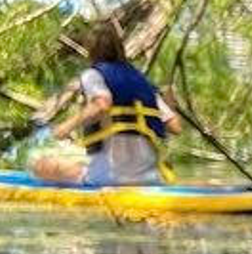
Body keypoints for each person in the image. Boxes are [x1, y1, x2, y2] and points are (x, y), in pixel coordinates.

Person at [35, 22, 182, 185]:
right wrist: (170, 104)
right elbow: (175, 126)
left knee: (40, 165)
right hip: (151, 176)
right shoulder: (142, 82)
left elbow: (102, 104)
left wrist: (65, 127)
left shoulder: (93, 75)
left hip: (110, 176)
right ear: (120, 48)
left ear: (91, 50)